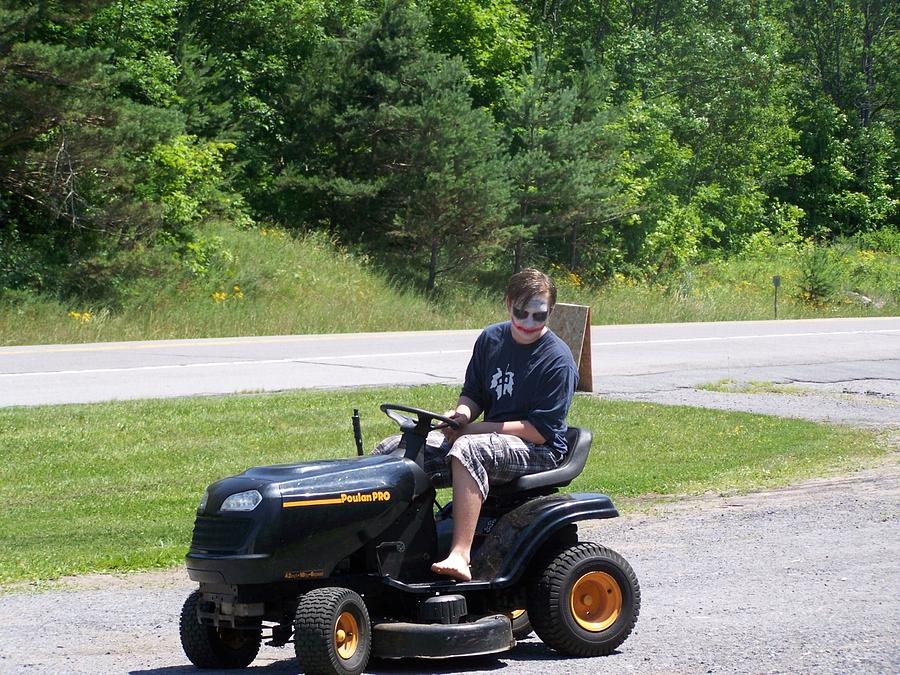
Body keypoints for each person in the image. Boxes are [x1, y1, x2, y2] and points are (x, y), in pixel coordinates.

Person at [373, 268, 578, 581]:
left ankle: (460, 554)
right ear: (508, 303)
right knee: (397, 447)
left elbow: (538, 430)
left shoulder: (557, 360)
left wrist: (470, 430)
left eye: (539, 316)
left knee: (469, 449)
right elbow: (474, 393)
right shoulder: (491, 339)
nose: (527, 323)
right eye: (520, 312)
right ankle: (386, 548)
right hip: (490, 434)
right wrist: (462, 415)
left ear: (551, 312)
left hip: (539, 448)